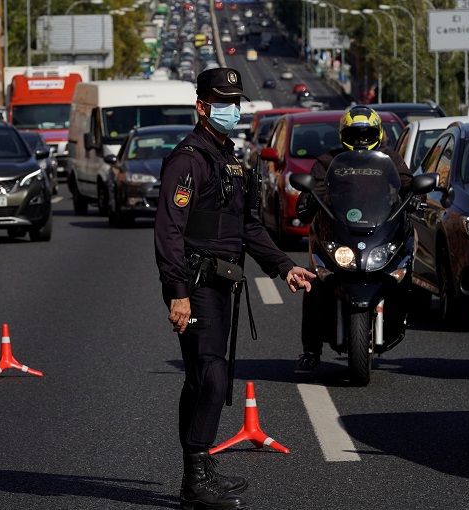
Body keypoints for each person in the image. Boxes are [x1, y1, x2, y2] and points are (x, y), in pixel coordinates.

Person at [154, 67, 315, 510]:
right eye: (222, 103)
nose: (232, 110)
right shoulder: (188, 159)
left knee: (204, 378)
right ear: (202, 107)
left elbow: (247, 227)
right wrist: (177, 290)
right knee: (211, 374)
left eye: (236, 102)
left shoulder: (228, 159)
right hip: (197, 280)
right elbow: (169, 229)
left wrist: (284, 267)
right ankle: (195, 479)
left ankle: (199, 472)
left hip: (223, 279)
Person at [293, 105, 414, 373]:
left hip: (378, 230)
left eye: (366, 133)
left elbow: (406, 182)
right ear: (343, 134)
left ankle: (399, 314)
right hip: (337, 233)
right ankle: (311, 350)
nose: (360, 139)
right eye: (354, 134)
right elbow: (315, 186)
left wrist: (415, 195)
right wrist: (307, 200)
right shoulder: (328, 161)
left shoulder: (390, 158)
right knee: (314, 282)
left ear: (378, 133)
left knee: (405, 266)